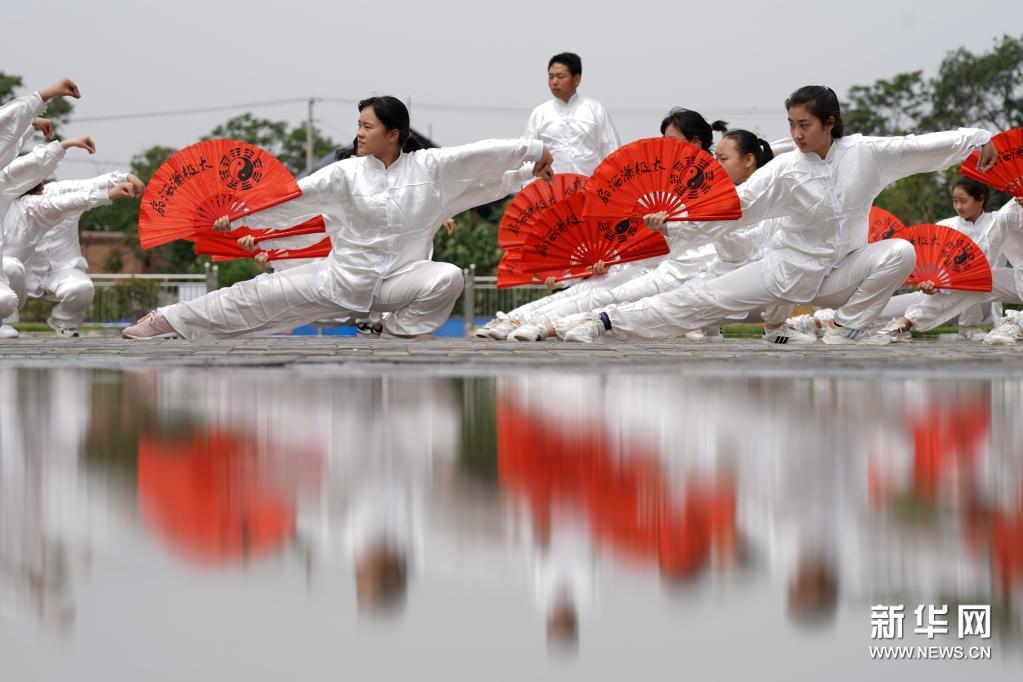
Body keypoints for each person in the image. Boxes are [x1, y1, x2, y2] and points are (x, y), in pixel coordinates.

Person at [558, 85, 996, 345]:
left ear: (830, 122)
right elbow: (735, 209)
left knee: (898, 252)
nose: (796, 134)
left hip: (841, 272)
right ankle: (601, 322)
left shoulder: (866, 155)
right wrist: (673, 224)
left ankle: (843, 330)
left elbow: (917, 147)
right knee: (700, 302)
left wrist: (977, 138)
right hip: (785, 270)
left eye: (804, 124)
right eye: (791, 124)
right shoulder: (786, 170)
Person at [122, 96, 553, 340]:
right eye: (359, 125)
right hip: (340, 279)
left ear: (394, 133)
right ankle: (167, 320)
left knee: (449, 277)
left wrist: (530, 157)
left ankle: (391, 331)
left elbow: (478, 160)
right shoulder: (344, 173)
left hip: (398, 283)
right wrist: (237, 219)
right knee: (252, 297)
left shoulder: (430, 170)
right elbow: (291, 198)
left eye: (368, 126)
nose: (360, 133)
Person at [476, 108, 727, 341]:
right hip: (647, 261)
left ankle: (541, 325)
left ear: (695, 143)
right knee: (590, 289)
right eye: (664, 138)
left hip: (683, 266)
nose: (664, 145)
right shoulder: (664, 176)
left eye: (672, 140)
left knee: (609, 296)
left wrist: (667, 230)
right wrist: (613, 257)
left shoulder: (714, 184)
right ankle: (516, 318)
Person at [1, 173, 141, 338]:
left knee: (82, 288)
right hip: (20, 274)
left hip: (61, 270)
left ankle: (65, 322)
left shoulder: (58, 192)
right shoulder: (8, 204)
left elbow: (91, 185)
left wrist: (126, 177)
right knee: (10, 267)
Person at [523, 52, 620, 176]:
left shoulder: (595, 110)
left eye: (560, 76)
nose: (554, 82)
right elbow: (529, 155)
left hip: (589, 187)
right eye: (551, 77)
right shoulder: (539, 113)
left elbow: (612, 150)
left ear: (576, 79)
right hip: (551, 190)